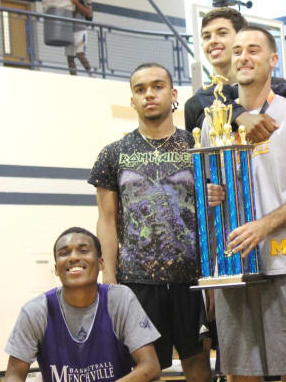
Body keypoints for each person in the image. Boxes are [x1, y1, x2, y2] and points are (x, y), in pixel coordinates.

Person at [205, 25, 286, 381]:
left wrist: (263, 226)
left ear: (272, 60)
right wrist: (209, 192)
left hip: (285, 263)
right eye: (238, 50)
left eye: (253, 50)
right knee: (240, 374)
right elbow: (211, 186)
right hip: (233, 266)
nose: (243, 57)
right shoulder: (215, 123)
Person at [88, 63, 211, 381]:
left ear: (173, 94)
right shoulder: (113, 154)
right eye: (140, 89)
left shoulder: (196, 147)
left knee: (197, 361)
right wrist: (109, 275)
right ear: (132, 100)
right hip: (137, 281)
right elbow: (106, 219)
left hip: (192, 278)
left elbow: (212, 212)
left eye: (157, 86)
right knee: (144, 368)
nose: (148, 94)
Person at [4, 227, 160, 382]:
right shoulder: (35, 311)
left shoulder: (120, 299)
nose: (73, 257)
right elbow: (14, 375)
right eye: (64, 253)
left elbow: (150, 366)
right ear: (57, 269)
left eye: (83, 250)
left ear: (101, 263)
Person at [185, 7, 286, 143]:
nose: (212, 40)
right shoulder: (195, 104)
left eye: (222, 33)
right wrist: (239, 114)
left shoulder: (278, 87)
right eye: (206, 36)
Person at [66, 0, 93, 76]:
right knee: (69, 56)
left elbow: (89, 13)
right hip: (69, 30)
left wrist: (77, 3)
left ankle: (91, 74)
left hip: (80, 29)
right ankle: (73, 77)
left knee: (80, 54)